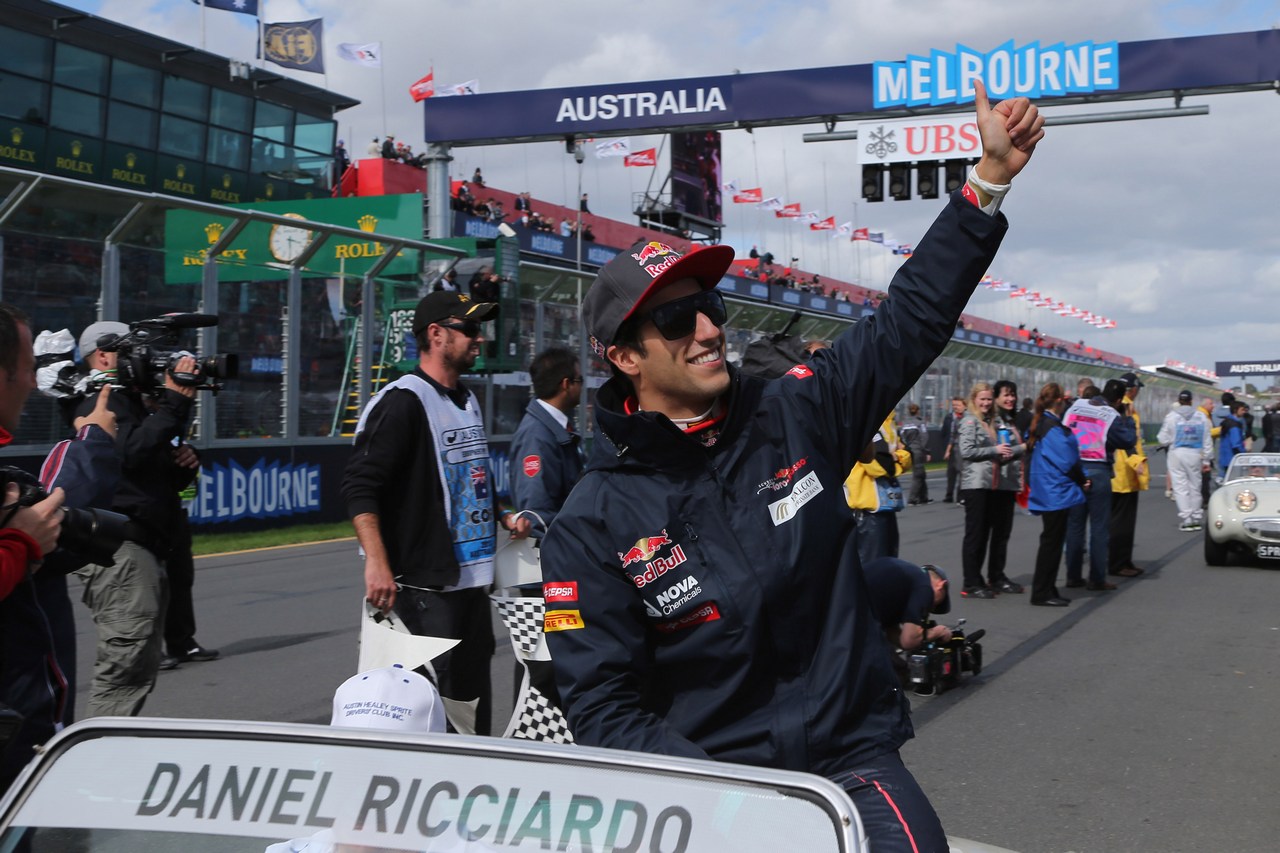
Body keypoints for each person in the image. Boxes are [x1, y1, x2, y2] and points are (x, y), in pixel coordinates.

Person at [540, 82, 1044, 852]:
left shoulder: (795, 410)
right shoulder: (590, 521)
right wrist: (734, 805)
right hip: (708, 790)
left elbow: (908, 320)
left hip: (850, 762)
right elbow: (604, 706)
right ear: (623, 356)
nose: (709, 328)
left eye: (710, 303)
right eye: (677, 317)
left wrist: (986, 185)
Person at [341, 291, 531, 737]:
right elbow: (359, 487)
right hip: (425, 588)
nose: (479, 339)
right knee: (426, 707)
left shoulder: (466, 398)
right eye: (469, 329)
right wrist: (377, 561)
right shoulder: (403, 401)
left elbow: (471, 476)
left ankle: (473, 784)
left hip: (470, 581)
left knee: (470, 702)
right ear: (436, 335)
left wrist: (501, 514)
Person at [71, 319, 202, 717]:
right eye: (134, 353)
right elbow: (126, 453)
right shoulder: (99, 397)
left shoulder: (135, 400)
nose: (146, 362)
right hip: (118, 543)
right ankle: (94, 757)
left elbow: (144, 467)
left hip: (145, 540)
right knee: (126, 660)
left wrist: (183, 464)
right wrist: (174, 405)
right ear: (105, 355)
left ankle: (108, 744)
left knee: (140, 661)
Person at [1061, 381, 1135, 591]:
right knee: (1099, 528)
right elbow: (1127, 441)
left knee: (1074, 526)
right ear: (1119, 400)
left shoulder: (1074, 407)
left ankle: (1073, 576)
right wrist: (1128, 419)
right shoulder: (1110, 414)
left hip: (1074, 470)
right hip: (1098, 470)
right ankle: (1097, 578)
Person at [957, 381, 1025, 598]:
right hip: (975, 483)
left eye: (988, 399)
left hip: (990, 483)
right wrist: (994, 449)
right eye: (982, 399)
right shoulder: (970, 421)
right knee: (975, 534)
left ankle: (985, 579)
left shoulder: (991, 421)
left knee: (986, 533)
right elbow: (966, 451)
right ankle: (971, 581)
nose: (986, 403)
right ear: (974, 400)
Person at [508, 348, 584, 537]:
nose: (582, 387)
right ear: (566, 384)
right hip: (555, 554)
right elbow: (535, 515)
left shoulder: (555, 428)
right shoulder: (536, 436)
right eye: (580, 380)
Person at [1025, 383, 1086, 606]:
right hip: (1055, 490)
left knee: (1051, 541)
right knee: (1052, 543)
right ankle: (1042, 592)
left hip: (1048, 488)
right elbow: (1067, 459)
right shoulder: (1052, 427)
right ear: (1059, 401)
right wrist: (1082, 478)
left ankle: (1047, 588)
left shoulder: (1043, 423)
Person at [843, 418, 909, 564]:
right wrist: (898, 459)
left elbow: (909, 453)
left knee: (890, 566)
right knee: (873, 569)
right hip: (867, 512)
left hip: (886, 506)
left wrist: (897, 457)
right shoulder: (864, 418)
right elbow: (880, 464)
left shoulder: (889, 420)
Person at [862, 558, 952, 651]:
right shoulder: (925, 587)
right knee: (879, 663)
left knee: (895, 661)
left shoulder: (907, 577)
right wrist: (938, 631)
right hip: (858, 619)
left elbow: (891, 631)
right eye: (935, 605)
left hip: (852, 609)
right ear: (940, 586)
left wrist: (918, 637)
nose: (931, 608)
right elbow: (909, 641)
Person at [1157, 390, 1213, 531]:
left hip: (1176, 454)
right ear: (1191, 401)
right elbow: (1207, 440)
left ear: (1179, 401)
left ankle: (1187, 519)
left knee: (1180, 487)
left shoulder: (1171, 416)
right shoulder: (1201, 417)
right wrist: (1207, 460)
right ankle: (1196, 517)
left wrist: (1172, 439)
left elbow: (1162, 439)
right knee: (1195, 486)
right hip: (1194, 454)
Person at [899, 402, 931, 505]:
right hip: (917, 450)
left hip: (907, 450)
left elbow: (901, 437)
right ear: (918, 411)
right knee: (918, 474)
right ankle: (912, 499)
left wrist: (906, 446)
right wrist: (927, 451)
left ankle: (924, 497)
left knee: (921, 473)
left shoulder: (904, 423)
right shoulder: (920, 422)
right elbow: (924, 437)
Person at [940, 396, 966, 502]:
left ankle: (961, 496)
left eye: (958, 405)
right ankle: (949, 495)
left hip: (963, 448)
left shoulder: (967, 418)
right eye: (954, 405)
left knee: (962, 472)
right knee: (951, 473)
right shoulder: (949, 417)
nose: (956, 407)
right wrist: (947, 449)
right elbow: (947, 434)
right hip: (953, 447)